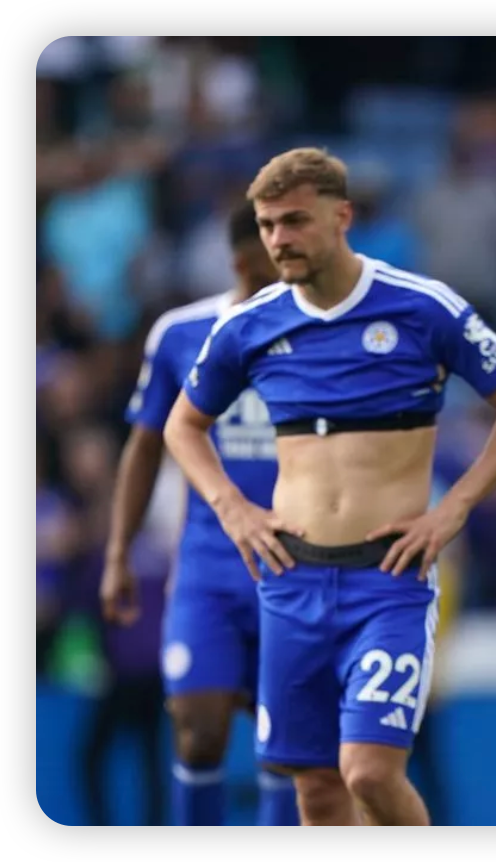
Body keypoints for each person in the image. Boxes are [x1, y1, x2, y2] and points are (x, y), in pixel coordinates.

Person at [163, 147, 496, 826]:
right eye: (267, 225)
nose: (279, 239)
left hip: (387, 580)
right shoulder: (250, 324)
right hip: (291, 580)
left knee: (370, 773)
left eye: (295, 221)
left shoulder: (421, 307)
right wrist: (232, 507)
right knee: (316, 788)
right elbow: (183, 425)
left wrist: (455, 507)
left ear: (342, 217)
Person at [101, 201, 299, 827]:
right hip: (209, 569)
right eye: (272, 259)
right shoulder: (181, 334)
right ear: (242, 261)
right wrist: (118, 553)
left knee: (286, 741)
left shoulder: (321, 334)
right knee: (198, 728)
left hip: (297, 570)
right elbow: (144, 446)